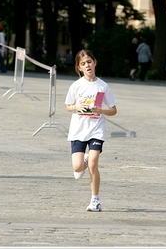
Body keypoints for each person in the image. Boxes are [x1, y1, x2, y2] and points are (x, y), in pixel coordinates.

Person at [65, 49, 117, 212]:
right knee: (78, 167)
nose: (87, 65)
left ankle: (95, 200)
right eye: (83, 63)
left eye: (89, 61)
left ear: (95, 63)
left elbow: (114, 109)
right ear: (79, 67)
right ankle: (83, 161)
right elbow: (68, 106)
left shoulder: (102, 86)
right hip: (78, 130)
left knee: (94, 164)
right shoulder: (76, 86)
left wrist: (102, 111)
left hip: (96, 129)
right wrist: (76, 107)